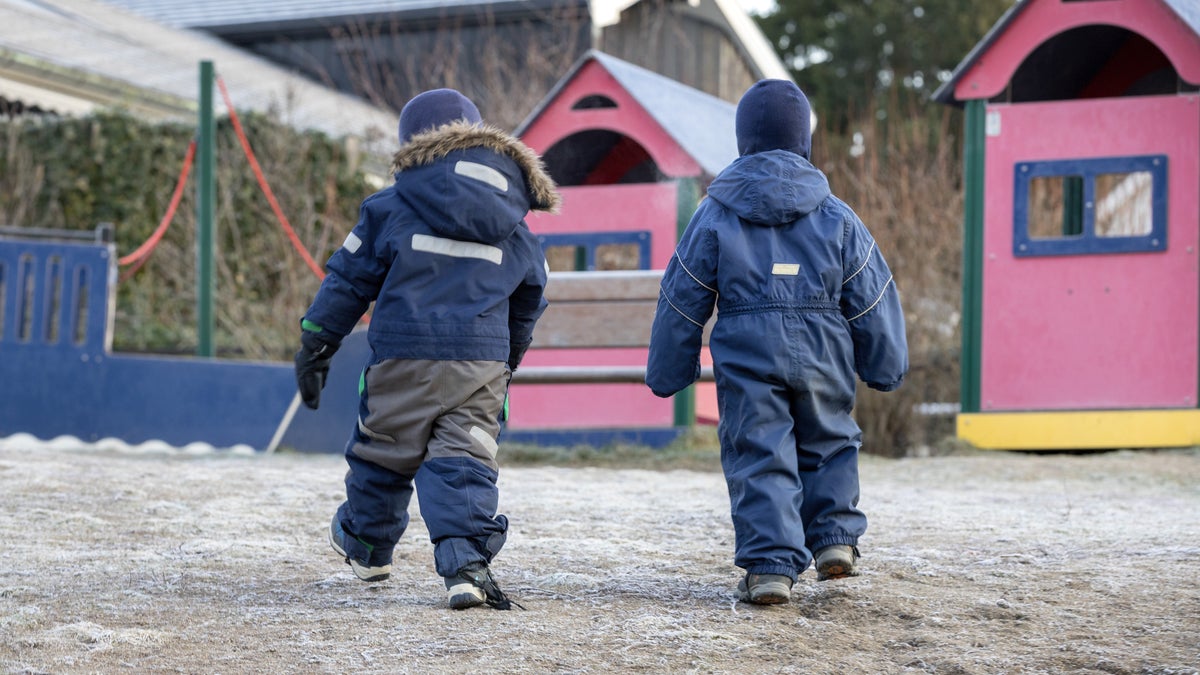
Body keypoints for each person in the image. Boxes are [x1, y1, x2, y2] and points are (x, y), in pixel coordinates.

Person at [294, 88, 559, 610]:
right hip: (480, 361)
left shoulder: (390, 205)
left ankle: (368, 547)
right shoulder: (515, 221)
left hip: (403, 355)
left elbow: (349, 281)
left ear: (411, 146)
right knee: (464, 456)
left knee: (385, 450)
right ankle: (465, 564)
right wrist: (508, 360)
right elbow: (531, 298)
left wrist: (316, 343)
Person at [645, 79, 908, 605]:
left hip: (747, 348)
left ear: (743, 141)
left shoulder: (715, 213)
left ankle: (769, 567)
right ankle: (834, 540)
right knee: (829, 437)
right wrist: (886, 363)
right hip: (823, 347)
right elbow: (872, 291)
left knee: (758, 448)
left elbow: (683, 293)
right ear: (804, 141)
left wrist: (668, 369)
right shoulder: (837, 214)